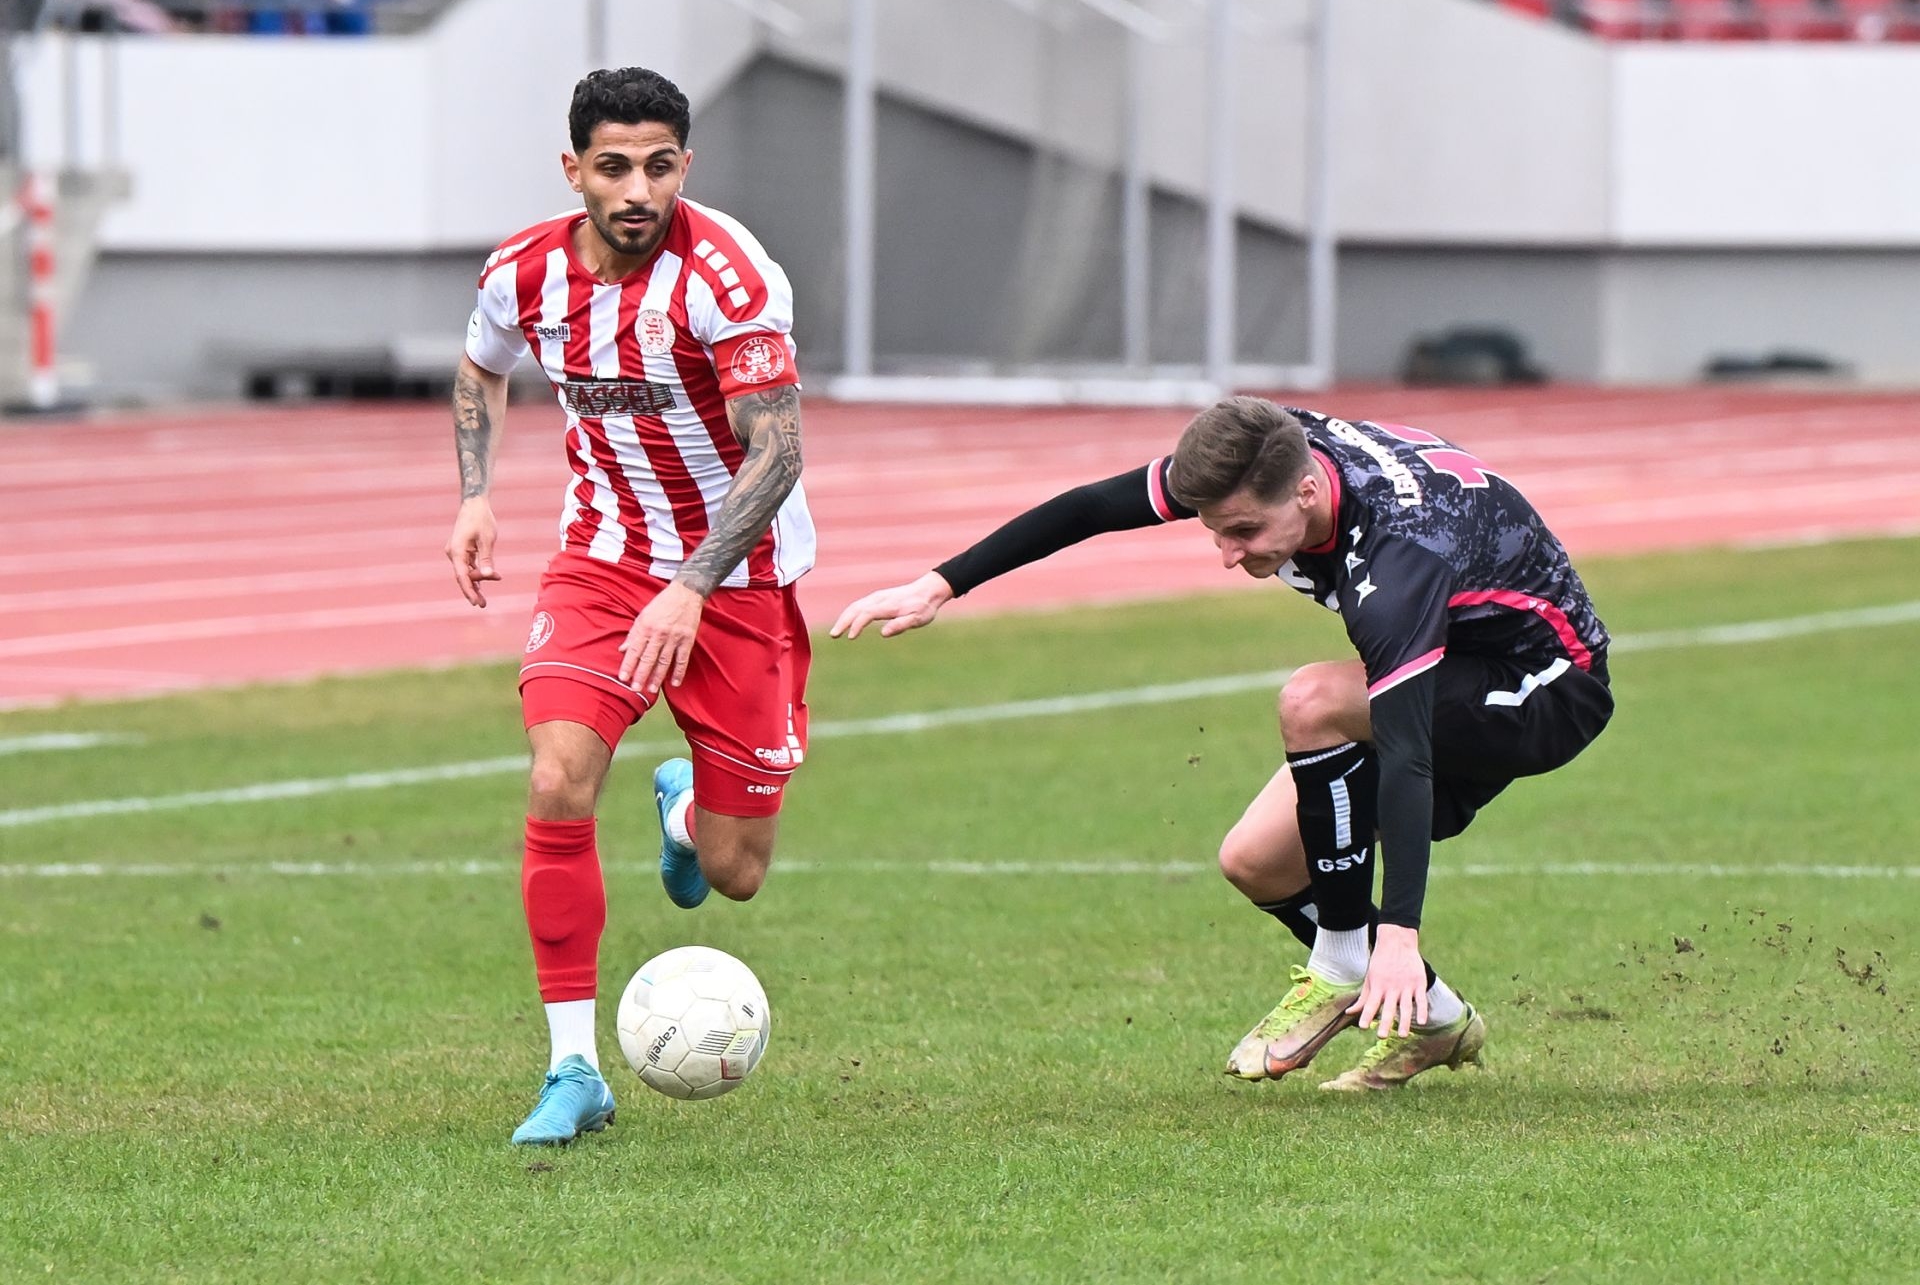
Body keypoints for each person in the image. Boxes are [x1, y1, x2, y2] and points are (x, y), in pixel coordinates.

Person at [833, 397, 1612, 1090]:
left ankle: (1345, 960)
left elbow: (1407, 752)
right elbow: (1093, 506)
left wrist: (1400, 933)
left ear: (1307, 492)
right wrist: (943, 583)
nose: (1229, 553)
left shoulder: (1398, 560)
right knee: (1256, 861)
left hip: (1545, 684)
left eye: (1244, 532)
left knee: (1311, 700)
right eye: (1216, 531)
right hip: (1457, 665)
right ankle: (1434, 1017)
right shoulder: (1260, 450)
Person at [445, 67, 813, 1144]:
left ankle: (686, 814)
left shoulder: (729, 276)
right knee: (557, 780)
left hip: (738, 576)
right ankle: (574, 1068)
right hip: (601, 563)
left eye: (659, 166)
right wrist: (475, 494)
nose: (638, 189)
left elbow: (779, 450)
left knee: (737, 874)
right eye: (614, 167)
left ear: (685, 165)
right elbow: (480, 368)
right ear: (575, 171)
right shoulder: (521, 271)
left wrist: (692, 586)